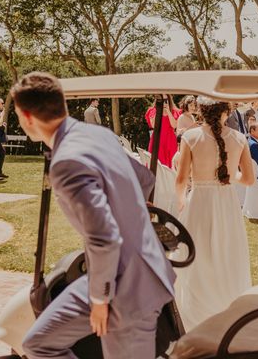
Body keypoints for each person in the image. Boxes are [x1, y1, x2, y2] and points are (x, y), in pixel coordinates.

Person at [12, 72, 175, 358]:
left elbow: (104, 238)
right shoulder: (98, 134)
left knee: (42, 344)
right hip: (126, 270)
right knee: (39, 342)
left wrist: (100, 300)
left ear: (27, 117)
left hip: (127, 289)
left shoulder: (65, 162)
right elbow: (144, 178)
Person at [174, 98, 254, 330]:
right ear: (226, 112)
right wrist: (229, 176)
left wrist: (181, 202)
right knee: (226, 251)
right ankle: (228, 308)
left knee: (198, 254)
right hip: (226, 202)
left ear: (201, 111)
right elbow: (248, 179)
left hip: (199, 201)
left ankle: (196, 314)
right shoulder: (240, 139)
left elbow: (181, 179)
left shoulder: (190, 137)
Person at [145, 96, 180, 167]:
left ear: (169, 100)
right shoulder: (153, 111)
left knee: (171, 167)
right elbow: (153, 125)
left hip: (170, 141)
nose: (164, 102)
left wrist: (168, 111)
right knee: (156, 166)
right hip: (157, 141)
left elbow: (174, 125)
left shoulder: (173, 111)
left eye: (166, 100)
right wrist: (159, 110)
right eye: (161, 100)